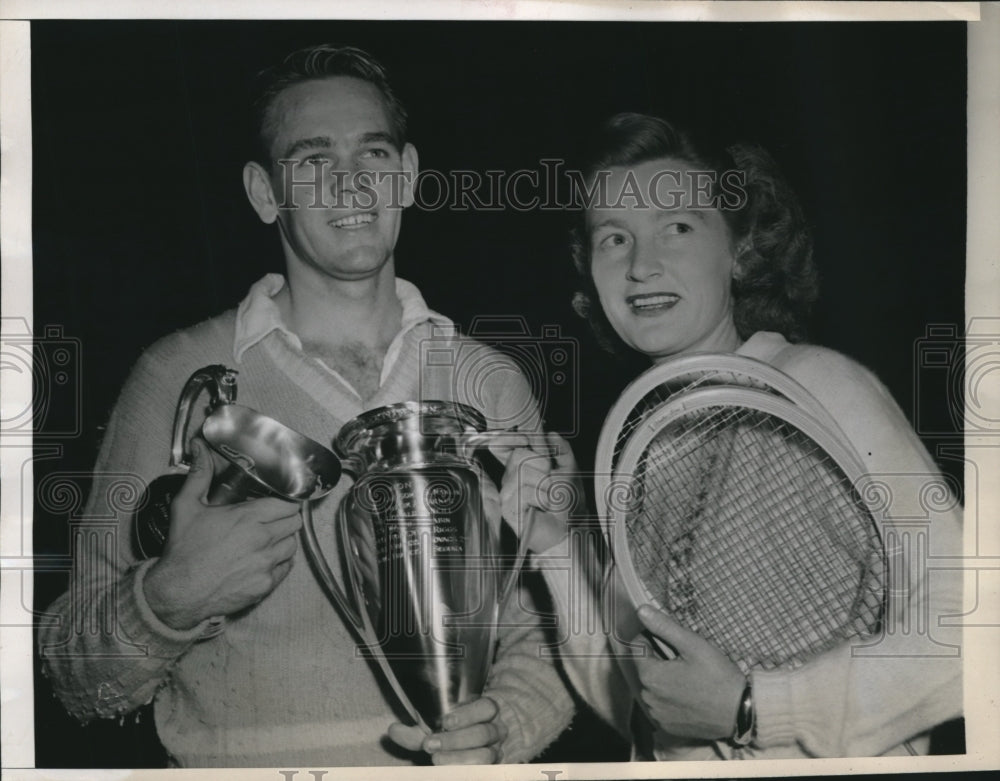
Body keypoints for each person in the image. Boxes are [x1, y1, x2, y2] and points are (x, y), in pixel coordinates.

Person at [38, 44, 575, 767]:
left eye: (373, 154)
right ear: (265, 193)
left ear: (409, 175)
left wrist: (504, 727)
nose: (351, 184)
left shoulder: (490, 382)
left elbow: (550, 624)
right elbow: (73, 670)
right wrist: (166, 602)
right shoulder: (178, 377)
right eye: (314, 160)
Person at [522, 113, 964, 760]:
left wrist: (755, 706)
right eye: (614, 238)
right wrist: (559, 548)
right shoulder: (644, 447)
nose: (642, 265)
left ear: (740, 247)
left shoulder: (816, 384)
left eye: (677, 226)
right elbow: (649, 705)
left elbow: (977, 624)